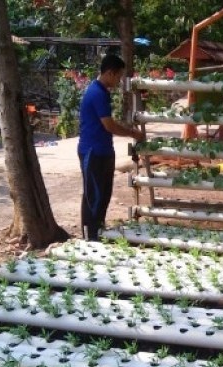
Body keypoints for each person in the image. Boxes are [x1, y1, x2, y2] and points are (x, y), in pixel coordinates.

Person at [77, 53, 145, 241]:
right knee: (93, 195)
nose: (119, 81)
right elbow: (109, 125)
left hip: (104, 150)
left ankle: (98, 230)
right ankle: (89, 237)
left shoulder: (102, 92)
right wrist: (133, 133)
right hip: (93, 152)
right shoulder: (96, 93)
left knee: (104, 194)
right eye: (118, 76)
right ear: (109, 73)